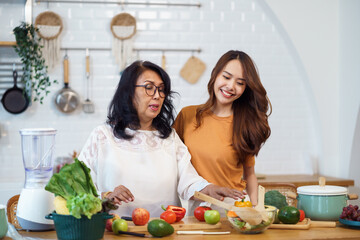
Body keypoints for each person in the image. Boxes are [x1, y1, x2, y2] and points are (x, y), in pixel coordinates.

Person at [78, 60, 243, 217]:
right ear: (128, 93)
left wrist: (208, 188)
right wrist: (106, 195)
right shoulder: (102, 136)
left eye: (161, 89)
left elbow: (188, 180)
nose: (157, 95)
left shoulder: (169, 137)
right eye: (149, 88)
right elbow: (77, 187)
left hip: (164, 230)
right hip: (114, 230)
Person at [173, 50, 271, 213]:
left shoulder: (245, 124)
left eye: (240, 83)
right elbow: (171, 159)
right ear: (215, 75)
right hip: (194, 206)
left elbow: (250, 175)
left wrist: (255, 209)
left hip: (232, 208)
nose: (231, 86)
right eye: (226, 77)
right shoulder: (187, 116)